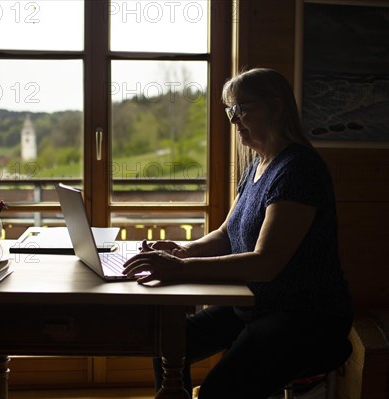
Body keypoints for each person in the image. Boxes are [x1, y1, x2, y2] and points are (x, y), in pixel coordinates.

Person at [122, 68, 354, 399]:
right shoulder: (258, 165)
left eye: (242, 108)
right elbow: (225, 234)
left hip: (306, 316)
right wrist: (184, 251)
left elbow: (265, 263)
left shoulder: (299, 169)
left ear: (275, 107)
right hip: (257, 305)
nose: (234, 120)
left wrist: (181, 269)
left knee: (220, 390)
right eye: (231, 110)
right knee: (168, 344)